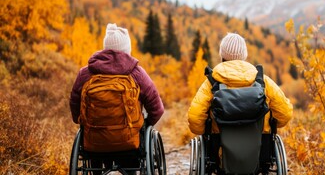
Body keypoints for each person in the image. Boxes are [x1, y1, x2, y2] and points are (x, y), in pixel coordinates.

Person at [187, 32, 293, 172]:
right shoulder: (262, 81)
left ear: (222, 55)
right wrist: (269, 125)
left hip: (220, 153)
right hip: (260, 152)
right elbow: (285, 114)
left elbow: (194, 119)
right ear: (244, 55)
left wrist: (206, 130)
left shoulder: (211, 83)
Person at [70, 23, 164, 173]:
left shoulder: (86, 74)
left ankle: (96, 171)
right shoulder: (137, 73)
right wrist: (146, 125)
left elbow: (75, 104)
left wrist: (80, 120)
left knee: (93, 144)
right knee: (134, 141)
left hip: (95, 143)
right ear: (127, 50)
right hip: (129, 143)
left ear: (105, 48)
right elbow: (157, 109)